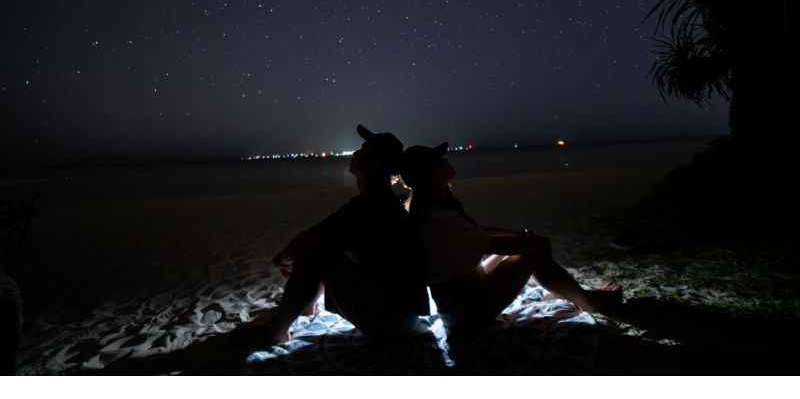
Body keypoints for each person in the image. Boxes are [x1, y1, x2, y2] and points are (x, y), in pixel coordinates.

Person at [233, 125, 429, 351]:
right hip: (403, 317)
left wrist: (284, 259)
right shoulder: (385, 203)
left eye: (363, 149)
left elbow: (308, 241)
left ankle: (275, 331)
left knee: (313, 251)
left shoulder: (370, 204)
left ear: (375, 164)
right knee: (328, 247)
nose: (355, 153)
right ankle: (307, 306)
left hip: (388, 322)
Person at [399, 142, 622, 334]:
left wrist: (524, 235)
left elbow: (481, 229)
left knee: (530, 245)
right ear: (429, 173)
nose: (446, 161)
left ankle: (577, 293)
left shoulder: (436, 208)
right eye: (439, 160)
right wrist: (536, 243)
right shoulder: (437, 217)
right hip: (465, 312)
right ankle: (587, 301)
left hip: (463, 296)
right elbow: (497, 245)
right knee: (534, 253)